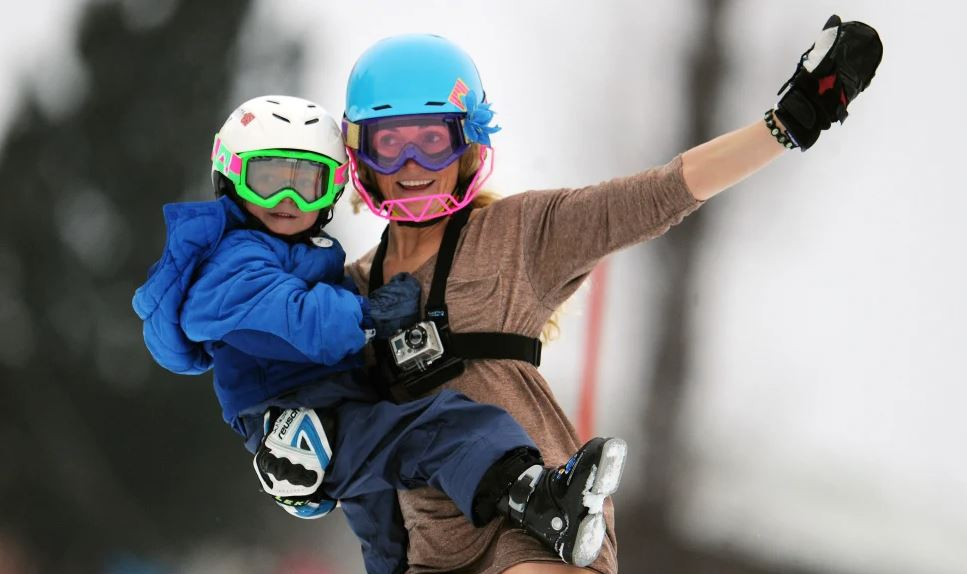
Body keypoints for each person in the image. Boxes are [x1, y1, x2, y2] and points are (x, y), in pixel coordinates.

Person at [341, 17, 881, 574]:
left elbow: (660, 191)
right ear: (362, 157)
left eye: (432, 142)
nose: (412, 166)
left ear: (468, 147)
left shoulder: (518, 234)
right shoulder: (346, 293)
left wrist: (784, 124)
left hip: (541, 520)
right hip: (434, 547)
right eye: (390, 144)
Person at [131, 94, 628, 574]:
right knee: (440, 426)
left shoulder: (305, 253)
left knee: (390, 535)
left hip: (333, 407)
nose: (285, 200)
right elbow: (290, 316)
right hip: (294, 411)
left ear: (331, 191)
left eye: (305, 183)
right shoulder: (229, 258)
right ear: (231, 178)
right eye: (267, 181)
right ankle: (536, 497)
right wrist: (369, 316)